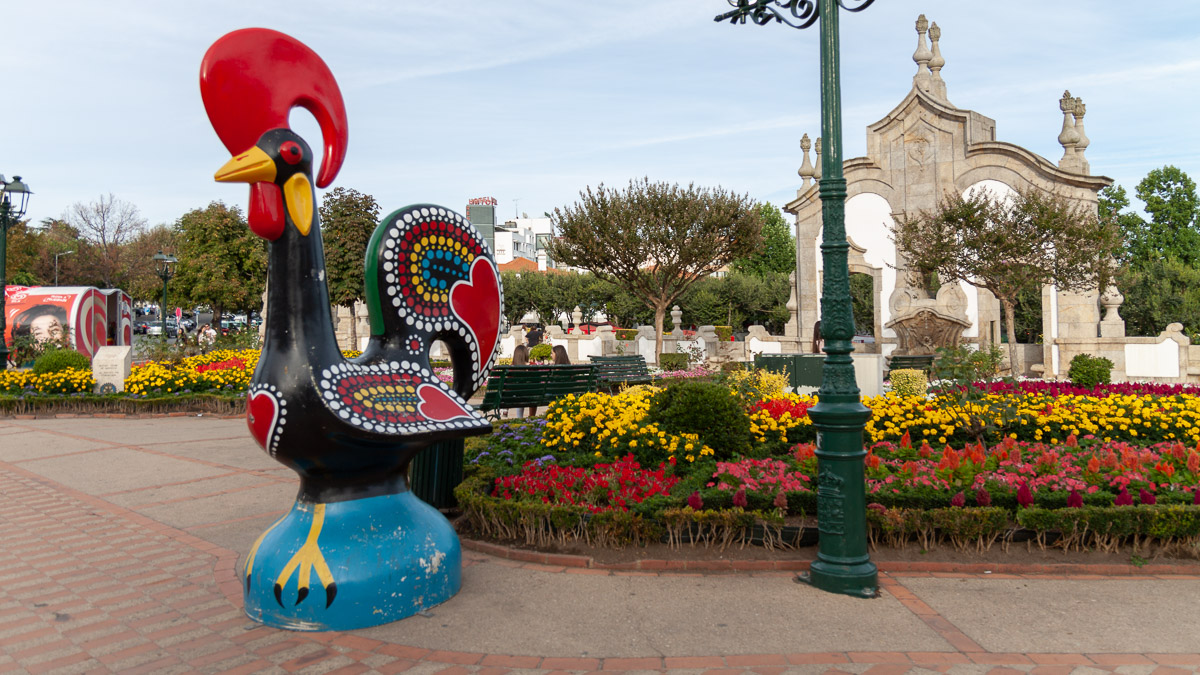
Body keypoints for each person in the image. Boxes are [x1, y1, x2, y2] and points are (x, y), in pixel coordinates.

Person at [509, 345, 537, 418]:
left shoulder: (511, 368)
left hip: (515, 397)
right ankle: (532, 417)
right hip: (532, 395)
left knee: (519, 393)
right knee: (531, 393)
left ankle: (519, 417)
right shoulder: (533, 366)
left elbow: (508, 385)